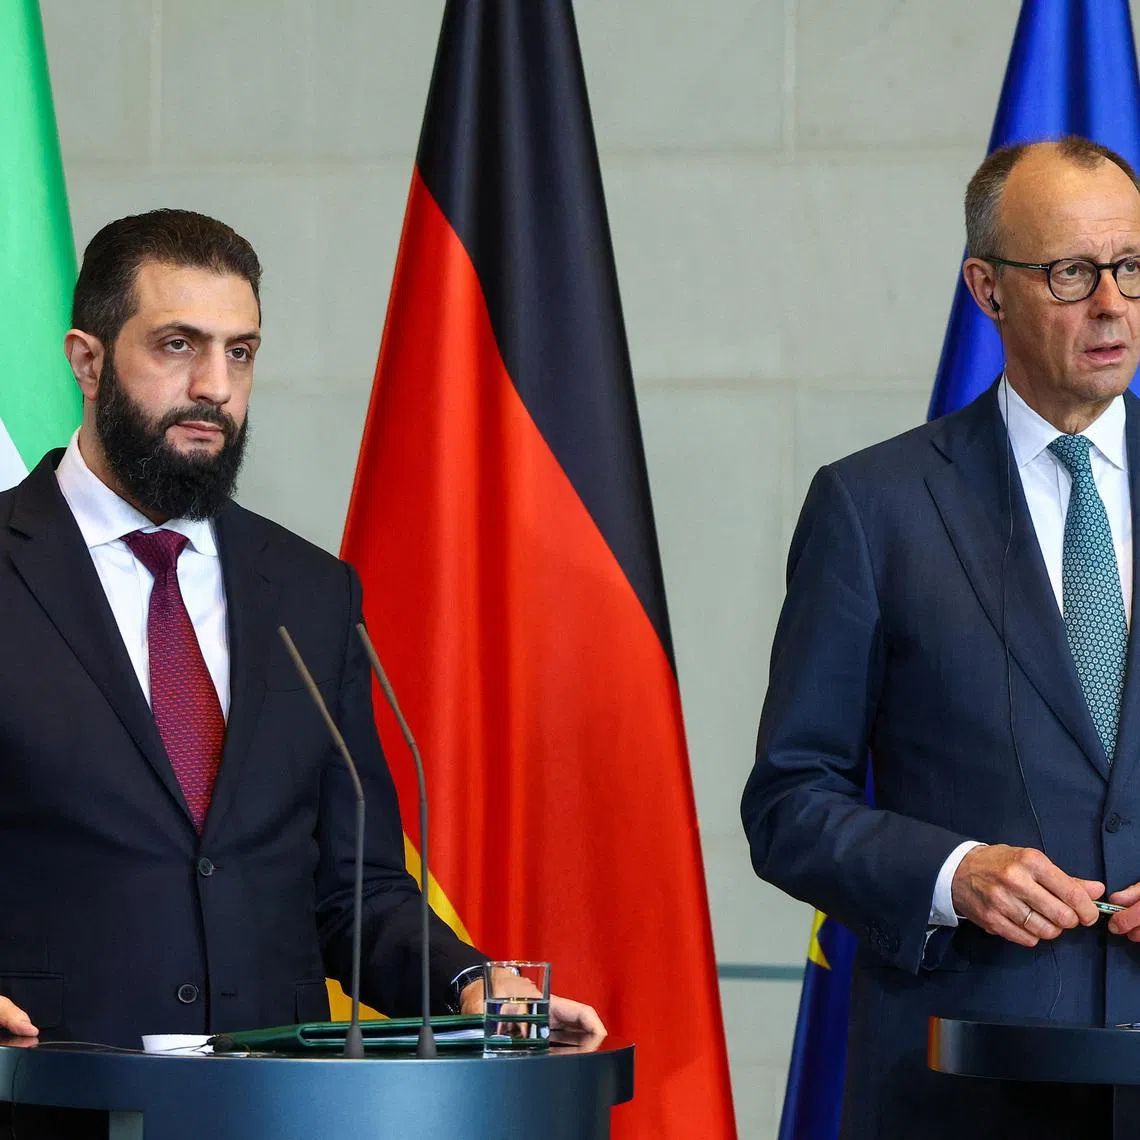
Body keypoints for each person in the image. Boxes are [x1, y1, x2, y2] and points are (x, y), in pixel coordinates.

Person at [0, 209, 601, 1134]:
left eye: (240, 353)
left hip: (276, 1108)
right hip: (47, 1102)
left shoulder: (312, 592)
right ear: (87, 359)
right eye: (177, 345)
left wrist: (473, 981)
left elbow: (355, 888)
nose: (214, 386)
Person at [742, 136, 1140, 1138]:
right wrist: (952, 872)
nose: (1112, 304)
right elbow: (789, 803)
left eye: (1132, 266)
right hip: (961, 1082)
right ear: (987, 289)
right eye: (1071, 272)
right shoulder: (873, 507)